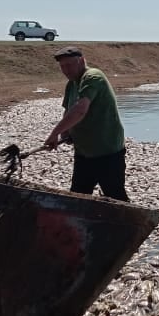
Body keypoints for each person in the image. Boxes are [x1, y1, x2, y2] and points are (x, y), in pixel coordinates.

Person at [44, 46, 128, 201]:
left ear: (82, 61)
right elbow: (69, 110)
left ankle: (132, 224)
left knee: (116, 198)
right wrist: (66, 132)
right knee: (78, 197)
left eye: (69, 65)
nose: (66, 70)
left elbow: (80, 109)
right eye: (62, 67)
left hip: (108, 152)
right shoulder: (71, 84)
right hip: (84, 153)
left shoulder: (93, 76)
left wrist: (54, 133)